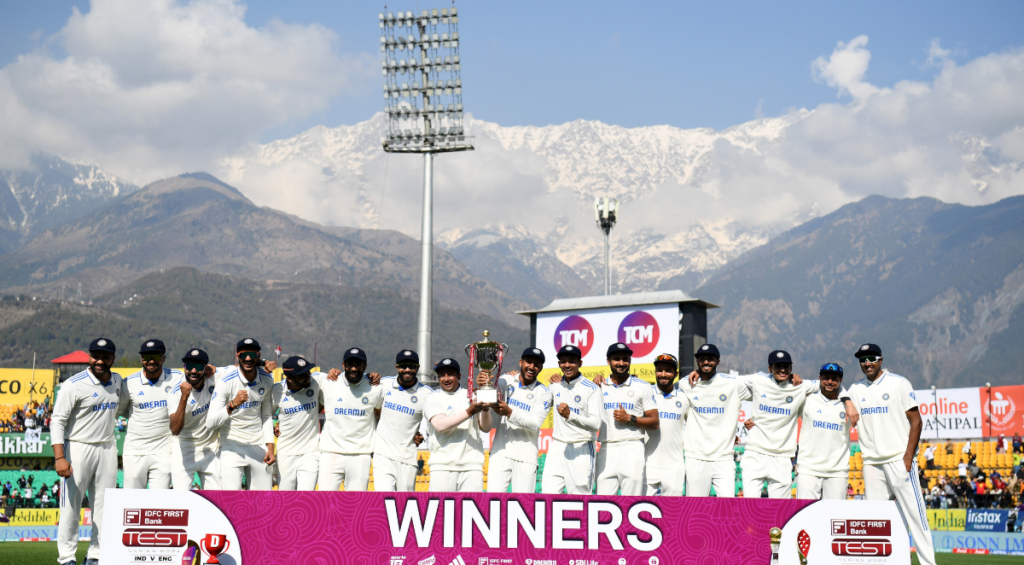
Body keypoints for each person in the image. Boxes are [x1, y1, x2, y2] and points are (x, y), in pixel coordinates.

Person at [847, 343, 936, 565]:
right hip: (871, 463)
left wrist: (908, 458)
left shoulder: (899, 383)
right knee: (877, 522)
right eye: (862, 360)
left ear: (881, 360)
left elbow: (916, 421)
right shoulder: (855, 389)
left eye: (871, 358)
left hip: (898, 460)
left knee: (917, 517)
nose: (867, 363)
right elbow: (838, 397)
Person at [734, 351, 857, 499]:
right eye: (777, 366)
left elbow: (831, 385)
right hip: (755, 452)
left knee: (780, 510)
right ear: (769, 369)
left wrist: (848, 401)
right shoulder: (758, 380)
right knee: (750, 506)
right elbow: (724, 388)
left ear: (791, 368)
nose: (782, 370)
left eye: (785, 366)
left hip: (782, 457)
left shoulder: (800, 386)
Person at [51, 338, 123, 565]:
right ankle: (66, 558)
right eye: (95, 356)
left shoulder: (118, 380)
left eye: (105, 356)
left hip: (107, 447)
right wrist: (60, 457)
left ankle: (96, 555)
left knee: (103, 507)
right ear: (90, 357)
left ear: (113, 358)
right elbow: (57, 421)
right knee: (71, 506)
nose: (99, 361)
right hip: (79, 447)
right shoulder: (73, 384)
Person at [206, 338, 276, 490]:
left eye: (252, 354)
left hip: (258, 445)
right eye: (244, 355)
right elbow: (210, 423)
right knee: (232, 501)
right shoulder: (225, 382)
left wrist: (270, 448)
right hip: (232, 446)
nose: (248, 358)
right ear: (237, 355)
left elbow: (266, 416)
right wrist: (232, 405)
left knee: (264, 501)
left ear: (258, 355)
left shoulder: (267, 379)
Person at [681, 343, 750, 498]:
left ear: (718, 362)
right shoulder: (686, 384)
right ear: (697, 362)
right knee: (695, 509)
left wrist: (757, 420)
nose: (706, 362)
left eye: (710, 359)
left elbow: (763, 392)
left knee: (727, 510)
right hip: (695, 458)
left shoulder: (733, 384)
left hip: (723, 458)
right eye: (702, 359)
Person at [593, 343, 659, 496]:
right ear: (608, 361)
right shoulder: (598, 386)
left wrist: (630, 418)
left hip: (633, 447)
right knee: (603, 504)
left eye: (625, 359)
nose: (621, 363)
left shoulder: (642, 386)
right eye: (616, 359)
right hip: (606, 448)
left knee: (633, 503)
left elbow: (655, 422)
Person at [316, 348, 384, 491]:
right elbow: (314, 409)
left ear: (365, 366)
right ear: (343, 365)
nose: (353, 368)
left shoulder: (375, 388)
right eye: (350, 364)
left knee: (355, 506)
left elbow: (383, 417)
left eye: (358, 364)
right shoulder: (329, 383)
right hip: (331, 453)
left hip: (360, 455)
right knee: (325, 503)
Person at [486, 348, 552, 493]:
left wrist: (509, 412)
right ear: (521, 362)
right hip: (500, 453)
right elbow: (489, 396)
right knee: (492, 504)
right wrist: (486, 378)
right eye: (528, 362)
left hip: (526, 458)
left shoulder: (544, 392)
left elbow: (535, 424)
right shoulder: (506, 380)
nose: (531, 367)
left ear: (541, 368)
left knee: (523, 506)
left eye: (537, 364)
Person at [118, 340, 179, 489]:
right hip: (135, 451)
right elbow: (121, 410)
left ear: (163, 358)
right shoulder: (129, 383)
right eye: (147, 357)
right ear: (141, 359)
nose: (151, 361)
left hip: (163, 451)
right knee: (132, 501)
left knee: (158, 502)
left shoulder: (177, 378)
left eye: (156, 357)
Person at [542, 345, 602, 495]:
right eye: (563, 361)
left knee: (580, 498)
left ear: (580, 363)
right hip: (557, 447)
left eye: (572, 361)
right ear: (559, 364)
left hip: (581, 446)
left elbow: (596, 424)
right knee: (548, 496)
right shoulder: (554, 385)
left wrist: (571, 416)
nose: (567, 365)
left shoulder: (592, 389)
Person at [424, 358, 491, 492]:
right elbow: (440, 426)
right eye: (442, 375)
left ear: (459, 376)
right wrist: (469, 411)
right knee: (441, 512)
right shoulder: (432, 398)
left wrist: (484, 408)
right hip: (442, 466)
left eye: (450, 374)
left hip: (472, 466)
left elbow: (486, 427)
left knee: (470, 513)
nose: (446, 378)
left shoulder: (472, 396)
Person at [373, 350, 432, 492]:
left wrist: (423, 433)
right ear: (397, 367)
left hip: (408, 457)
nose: (407, 370)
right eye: (403, 366)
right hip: (383, 455)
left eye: (411, 366)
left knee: (405, 504)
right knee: (383, 499)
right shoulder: (384, 384)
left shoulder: (427, 393)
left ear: (417, 367)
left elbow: (434, 418)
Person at [794, 363, 853, 500]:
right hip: (809, 469)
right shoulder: (807, 399)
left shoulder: (850, 406)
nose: (830, 382)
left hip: (837, 471)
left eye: (834, 379)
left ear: (840, 381)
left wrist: (849, 403)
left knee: (835, 517)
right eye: (826, 377)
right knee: (805, 514)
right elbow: (784, 412)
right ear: (819, 378)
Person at [169, 348, 221, 489]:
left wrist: (262, 363)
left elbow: (237, 370)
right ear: (184, 368)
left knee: (216, 500)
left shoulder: (213, 378)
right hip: (184, 449)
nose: (193, 371)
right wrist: (184, 397)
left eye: (198, 367)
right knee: (181, 501)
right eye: (188, 367)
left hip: (210, 448)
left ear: (205, 368)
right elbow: (175, 429)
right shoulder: (176, 393)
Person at [269, 356, 322, 491]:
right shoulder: (277, 391)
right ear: (290, 378)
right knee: (286, 499)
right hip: (286, 453)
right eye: (302, 374)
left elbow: (338, 378)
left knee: (306, 496)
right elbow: (265, 416)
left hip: (310, 452)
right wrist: (273, 425)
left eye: (308, 372)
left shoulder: (316, 381)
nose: (308, 376)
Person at [644, 353, 690, 496]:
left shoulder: (684, 398)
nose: (663, 374)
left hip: (674, 466)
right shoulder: (645, 393)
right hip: (646, 463)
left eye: (668, 371)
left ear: (676, 374)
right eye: (660, 370)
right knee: (642, 510)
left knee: (672, 513)